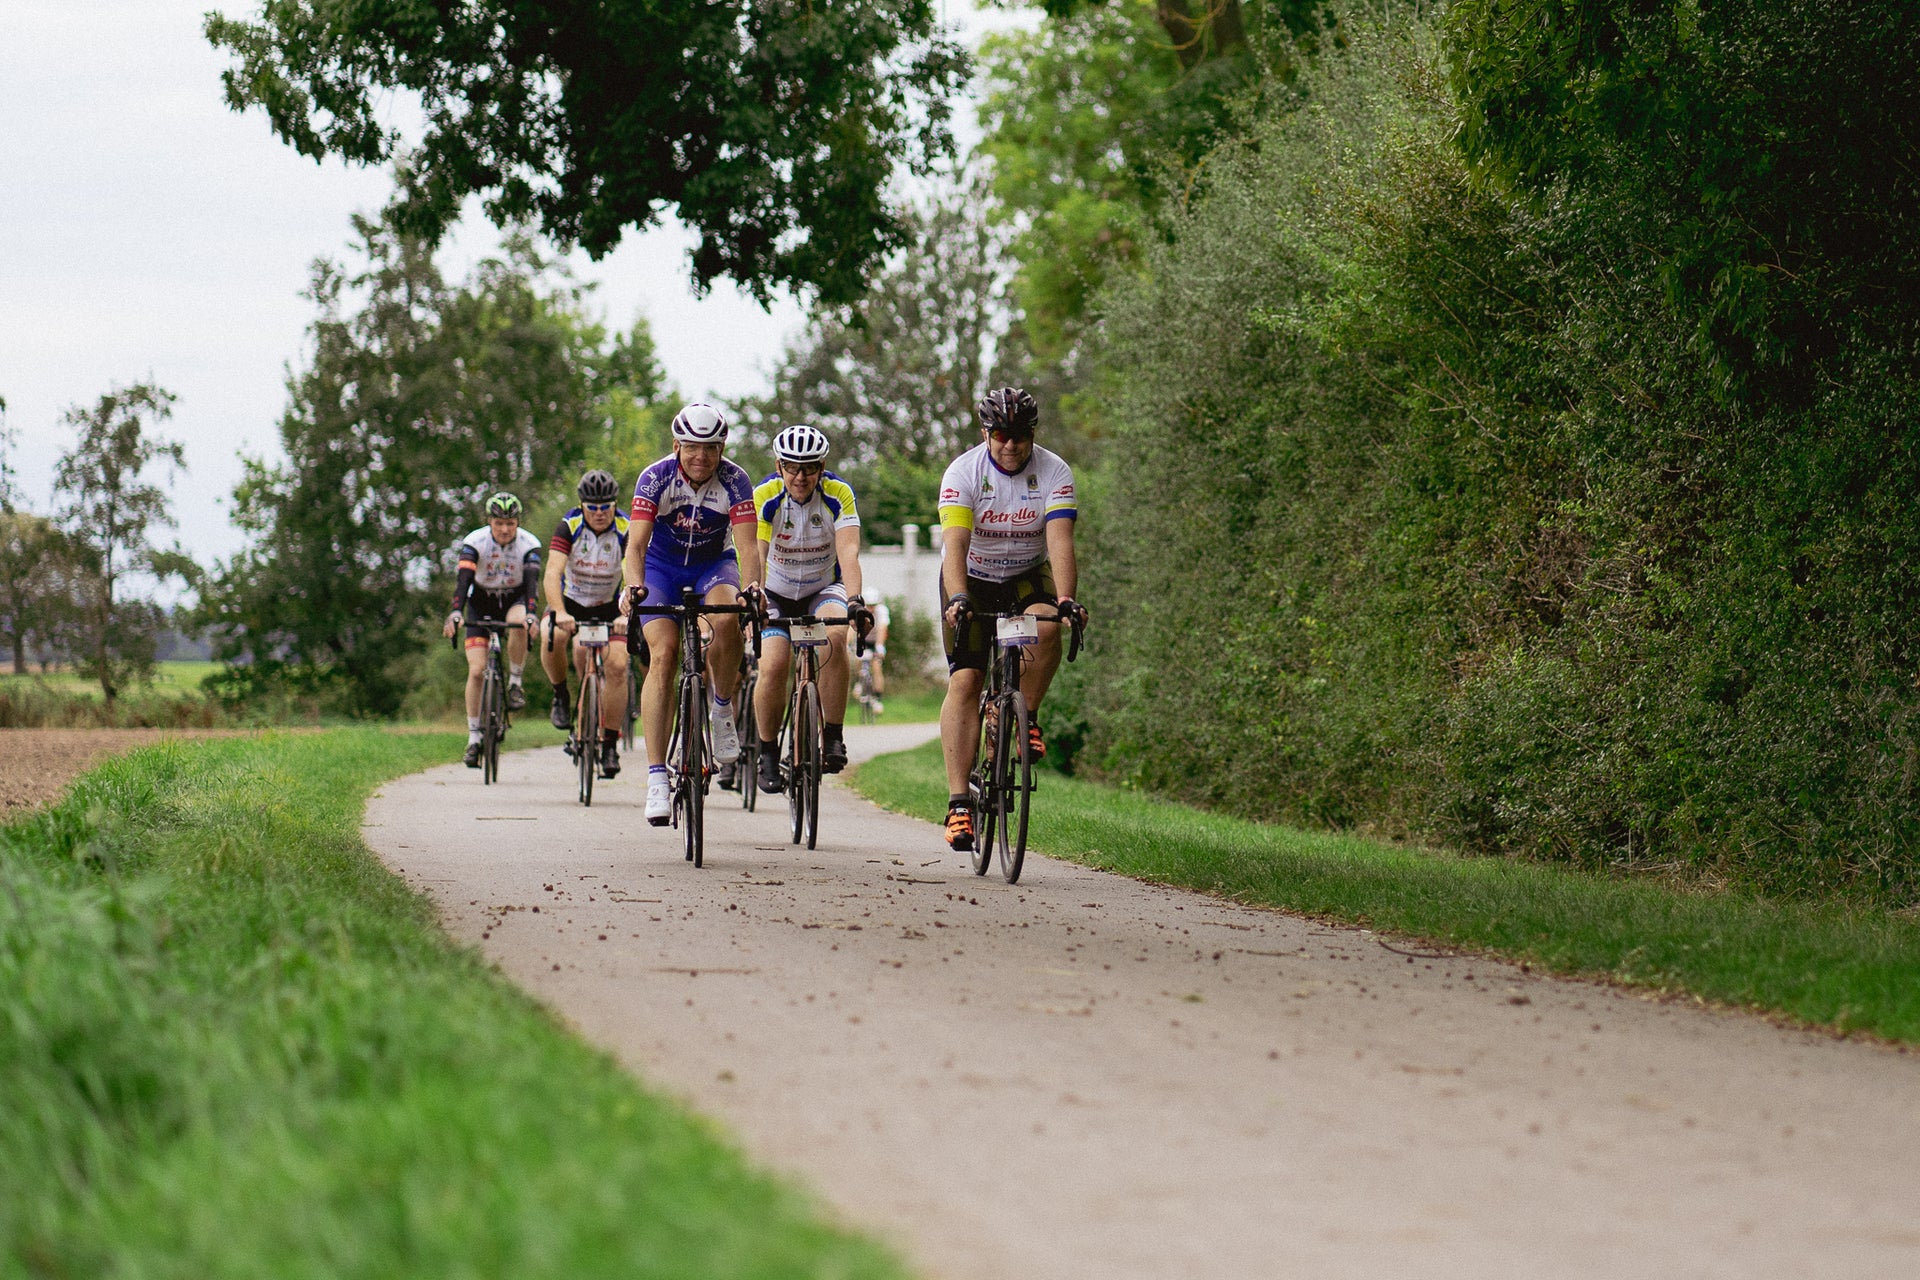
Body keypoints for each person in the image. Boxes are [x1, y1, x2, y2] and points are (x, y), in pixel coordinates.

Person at [935, 388, 1085, 851]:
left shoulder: (1054, 471)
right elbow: (955, 545)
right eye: (1001, 434)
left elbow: (1060, 542)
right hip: (972, 577)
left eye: (1020, 435)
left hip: (1025, 575)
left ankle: (1026, 716)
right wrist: (958, 596)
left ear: (1032, 434)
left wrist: (1065, 600)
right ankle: (960, 804)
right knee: (967, 680)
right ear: (985, 433)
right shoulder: (963, 473)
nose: (1011, 444)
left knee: (1046, 624)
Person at [620, 402, 763, 825]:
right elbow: (636, 547)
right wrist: (633, 584)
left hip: (712, 565)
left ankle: (721, 709)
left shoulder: (736, 481)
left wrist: (752, 587)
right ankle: (656, 778)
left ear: (722, 448)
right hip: (661, 569)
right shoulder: (655, 477)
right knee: (662, 656)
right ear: (677, 445)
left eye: (711, 448)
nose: (701, 457)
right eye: (692, 447)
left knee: (727, 616)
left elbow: (748, 547)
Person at [748, 424, 871, 794]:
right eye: (792, 467)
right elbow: (757, 551)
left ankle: (832, 734)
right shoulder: (766, 495)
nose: (800, 476)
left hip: (822, 587)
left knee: (834, 635)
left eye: (809, 468)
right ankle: (768, 752)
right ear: (778, 465)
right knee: (772, 663)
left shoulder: (838, 493)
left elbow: (848, 551)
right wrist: (754, 595)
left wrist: (854, 601)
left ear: (822, 467)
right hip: (776, 590)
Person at [539, 468, 632, 777]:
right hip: (572, 604)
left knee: (618, 666)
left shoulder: (624, 526)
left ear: (614, 504)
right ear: (582, 506)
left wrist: (625, 613)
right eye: (592, 508)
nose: (599, 513)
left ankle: (608, 743)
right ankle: (560, 694)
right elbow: (552, 572)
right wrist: (559, 611)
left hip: (610, 606)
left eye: (605, 507)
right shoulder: (570, 525)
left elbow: (633, 570)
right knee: (549, 632)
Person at [443, 492, 542, 767]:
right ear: (489, 522)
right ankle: (474, 737)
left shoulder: (529, 544)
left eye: (511, 523)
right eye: (499, 523)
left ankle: (515, 683)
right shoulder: (474, 542)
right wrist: (454, 613)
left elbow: (532, 586)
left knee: (520, 622)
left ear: (517, 523)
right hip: (481, 602)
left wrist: (533, 615)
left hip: (514, 599)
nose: (505, 529)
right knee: (476, 671)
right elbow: (462, 582)